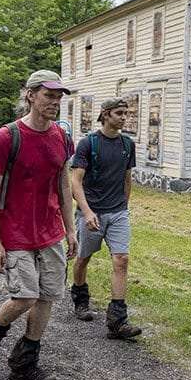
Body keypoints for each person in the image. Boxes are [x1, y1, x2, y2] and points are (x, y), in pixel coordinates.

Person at [0, 69, 77, 380]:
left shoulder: (61, 136)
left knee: (47, 295)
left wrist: (70, 229)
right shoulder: (7, 137)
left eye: (59, 96)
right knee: (25, 297)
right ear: (31, 95)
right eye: (49, 95)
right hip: (16, 232)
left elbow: (63, 183)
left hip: (49, 232)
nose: (55, 102)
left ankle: (24, 362)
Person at [69, 97, 142, 340]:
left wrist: (124, 206)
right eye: (119, 113)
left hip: (118, 212)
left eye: (126, 113)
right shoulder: (88, 144)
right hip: (92, 212)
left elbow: (127, 178)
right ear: (106, 114)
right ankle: (80, 299)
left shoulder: (127, 144)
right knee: (83, 259)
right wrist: (87, 211)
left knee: (121, 260)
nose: (124, 117)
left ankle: (117, 321)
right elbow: (75, 182)